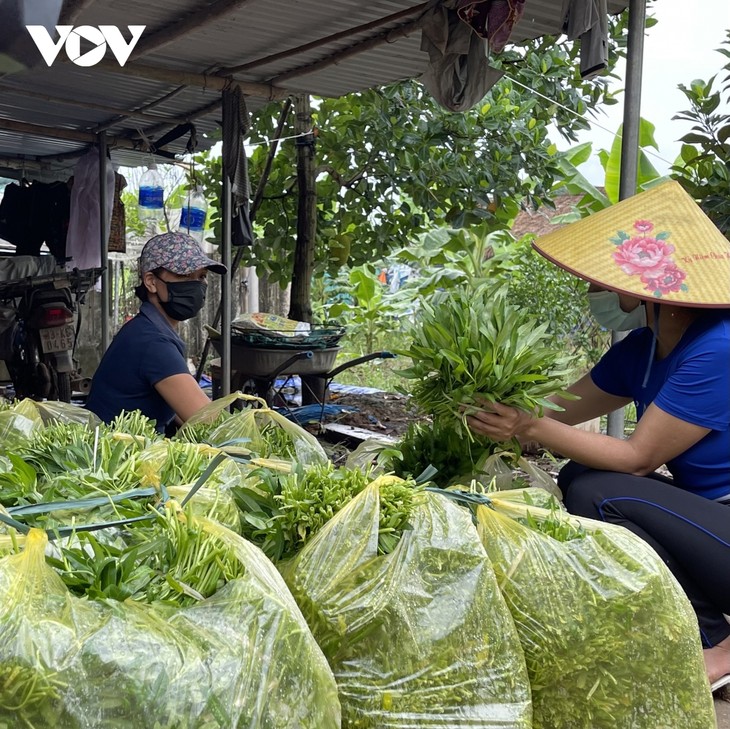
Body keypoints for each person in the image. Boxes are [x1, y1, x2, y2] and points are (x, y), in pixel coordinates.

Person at [463, 181, 730, 690]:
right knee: (582, 472)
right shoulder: (644, 348)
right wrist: (496, 409)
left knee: (599, 490)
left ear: (640, 288)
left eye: (604, 281)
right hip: (714, 518)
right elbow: (559, 410)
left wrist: (529, 426)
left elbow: (635, 458)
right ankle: (705, 628)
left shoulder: (719, 348)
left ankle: (716, 643)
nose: (596, 291)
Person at [86, 232, 226, 432]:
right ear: (151, 281)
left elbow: (179, 407)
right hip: (119, 456)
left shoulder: (145, 329)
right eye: (185, 275)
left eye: (202, 276)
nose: (197, 285)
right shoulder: (152, 342)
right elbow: (212, 424)